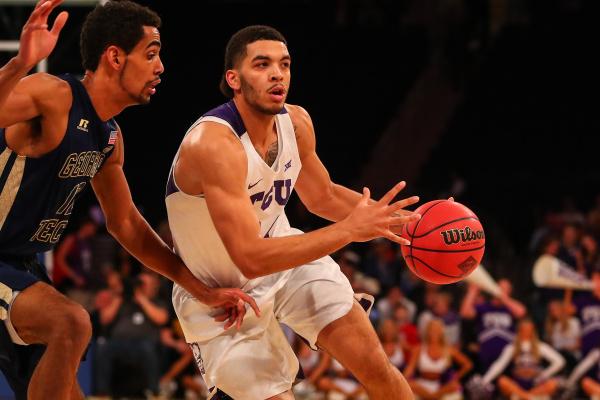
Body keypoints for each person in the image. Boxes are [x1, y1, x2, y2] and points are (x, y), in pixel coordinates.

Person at [0, 1, 258, 398]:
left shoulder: (109, 138)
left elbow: (126, 225)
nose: (161, 67)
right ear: (115, 57)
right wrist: (19, 65)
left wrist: (199, 288)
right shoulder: (52, 95)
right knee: (71, 323)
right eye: (151, 54)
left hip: (23, 268)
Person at [166, 25, 421, 399]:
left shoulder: (296, 123)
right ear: (233, 79)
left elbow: (323, 196)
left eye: (284, 65)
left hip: (286, 259)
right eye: (262, 64)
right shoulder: (213, 144)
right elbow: (250, 258)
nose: (277, 74)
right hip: (217, 292)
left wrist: (397, 222)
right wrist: (351, 230)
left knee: (374, 364)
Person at [481, 319, 565, 400]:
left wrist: (544, 375)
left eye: (529, 330)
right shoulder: (512, 347)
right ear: (519, 331)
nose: (526, 332)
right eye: (524, 329)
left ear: (533, 331)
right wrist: (485, 380)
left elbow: (560, 361)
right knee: (502, 381)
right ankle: (531, 398)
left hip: (535, 382)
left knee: (553, 384)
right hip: (517, 382)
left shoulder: (540, 346)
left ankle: (521, 397)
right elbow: (499, 365)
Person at [404, 319, 472, 400]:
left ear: (441, 332)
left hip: (440, 386)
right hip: (421, 386)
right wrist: (402, 379)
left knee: (455, 386)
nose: (434, 332)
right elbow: (410, 368)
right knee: (410, 384)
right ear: (428, 332)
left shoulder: (448, 350)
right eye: (432, 330)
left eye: (437, 329)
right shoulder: (419, 349)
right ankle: (433, 396)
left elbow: (468, 364)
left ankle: (433, 396)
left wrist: (456, 376)